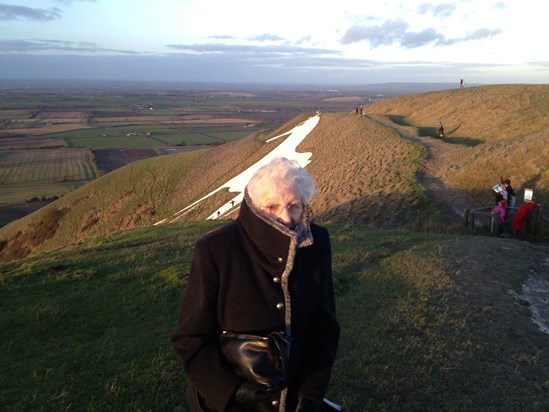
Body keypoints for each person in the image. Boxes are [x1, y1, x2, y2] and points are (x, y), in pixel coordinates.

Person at [171, 157, 341, 412]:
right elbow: (190, 338)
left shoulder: (316, 242)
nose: (285, 217)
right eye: (272, 206)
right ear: (254, 207)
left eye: (293, 205)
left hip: (294, 399)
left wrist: (310, 395)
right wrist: (230, 391)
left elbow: (323, 327)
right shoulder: (216, 250)